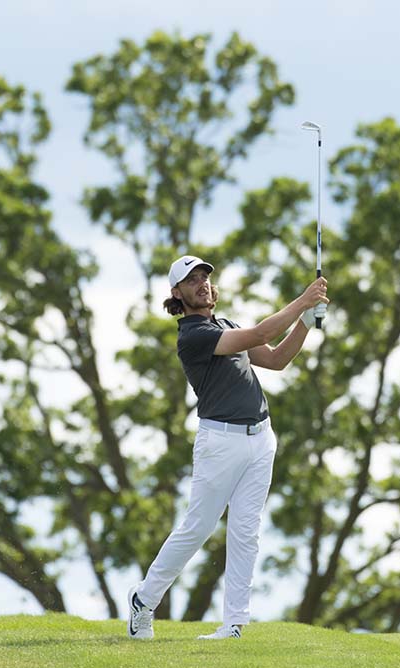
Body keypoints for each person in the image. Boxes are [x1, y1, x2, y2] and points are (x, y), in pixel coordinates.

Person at [126, 254, 329, 641]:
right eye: (192, 280)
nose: (201, 283)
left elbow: (275, 359)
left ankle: (234, 623)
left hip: (261, 438)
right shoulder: (193, 336)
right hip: (220, 442)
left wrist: (306, 322)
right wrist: (303, 301)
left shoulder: (225, 324)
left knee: (246, 532)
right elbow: (259, 336)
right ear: (177, 294)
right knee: (197, 528)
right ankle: (144, 601)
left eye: (204, 277)